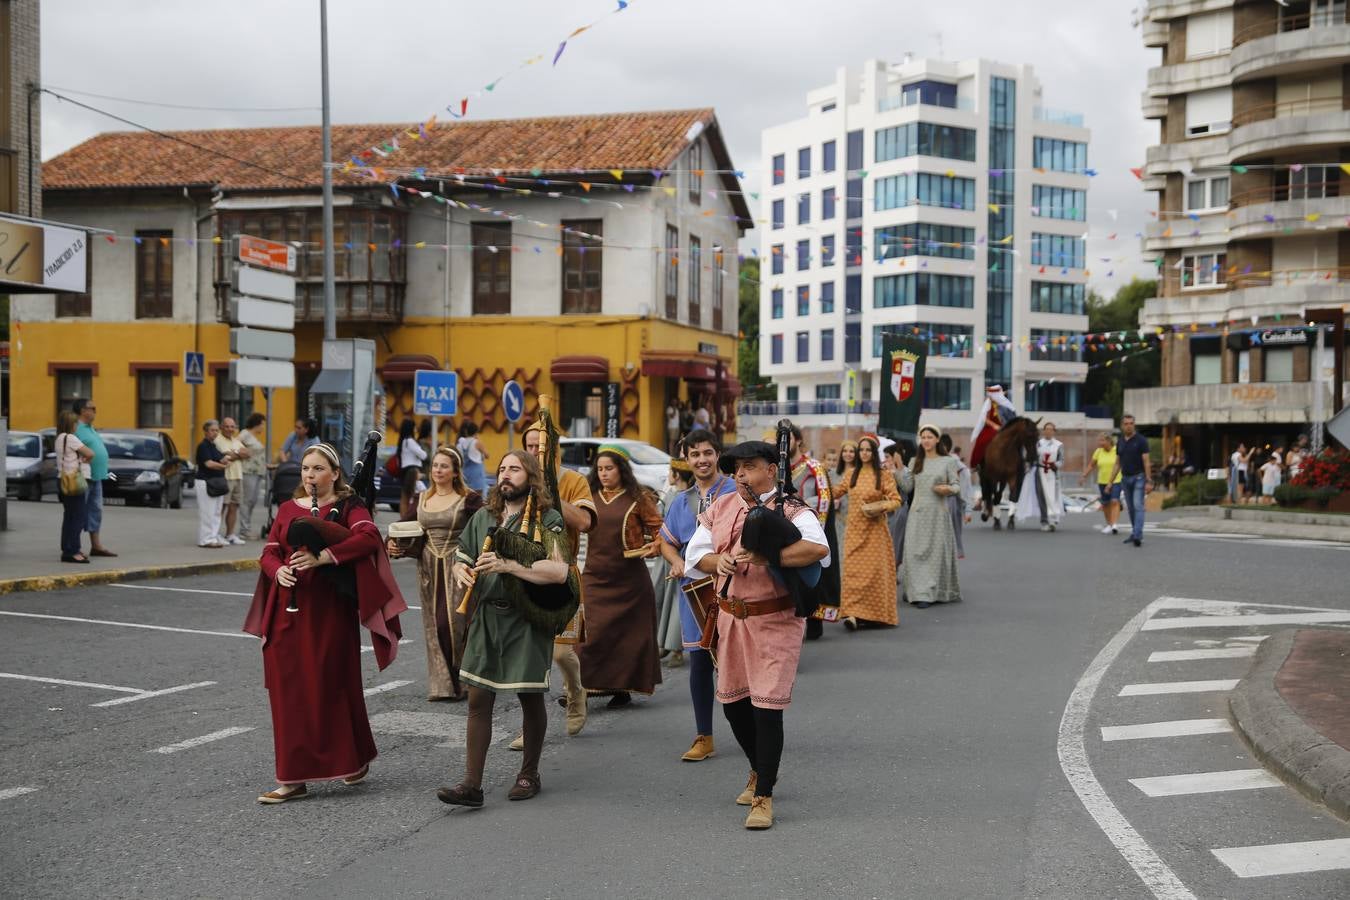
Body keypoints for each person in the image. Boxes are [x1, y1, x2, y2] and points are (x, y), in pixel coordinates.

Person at [245, 443, 407, 803]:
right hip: (287, 608)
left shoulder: (350, 507)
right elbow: (271, 548)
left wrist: (325, 556)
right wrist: (278, 571)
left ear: (334, 474)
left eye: (318, 469)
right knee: (288, 694)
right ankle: (292, 778)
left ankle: (354, 758)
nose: (309, 476)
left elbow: (368, 539)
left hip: (330, 611)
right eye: (305, 469)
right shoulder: (288, 508)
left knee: (333, 687)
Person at [684, 440, 831, 830]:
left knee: (767, 708)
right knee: (733, 704)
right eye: (737, 468)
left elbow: (818, 549)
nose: (741, 474)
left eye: (749, 467)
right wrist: (721, 560)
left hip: (776, 619)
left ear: (771, 469)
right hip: (731, 618)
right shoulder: (721, 506)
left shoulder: (793, 508)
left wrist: (772, 557)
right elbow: (695, 556)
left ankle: (763, 795)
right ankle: (759, 767)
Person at [439, 450, 574, 808]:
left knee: (529, 697)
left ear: (530, 477)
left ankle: (529, 772)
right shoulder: (485, 515)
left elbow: (559, 572)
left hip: (527, 618)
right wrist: (461, 571)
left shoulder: (549, 518)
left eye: (514, 468)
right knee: (478, 698)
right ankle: (471, 785)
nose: (505, 474)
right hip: (486, 617)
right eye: (501, 468)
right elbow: (461, 556)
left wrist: (508, 566)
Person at [656, 428, 739, 762]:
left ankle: (755, 731)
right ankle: (704, 735)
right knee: (700, 662)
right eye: (695, 455)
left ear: (717, 455)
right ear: (686, 459)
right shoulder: (681, 500)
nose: (702, 460)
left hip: (735, 584)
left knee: (738, 660)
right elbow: (666, 541)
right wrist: (676, 561)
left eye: (707, 453)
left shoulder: (736, 491)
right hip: (695, 591)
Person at [519, 420, 596, 739]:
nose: (535, 450)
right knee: (529, 657)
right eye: (529, 445)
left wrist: (548, 491)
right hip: (524, 576)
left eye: (541, 444)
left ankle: (576, 692)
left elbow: (585, 521)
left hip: (562, 575)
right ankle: (531, 727)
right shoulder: (515, 478)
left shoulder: (574, 480)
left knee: (561, 653)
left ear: (553, 448)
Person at [389, 446, 482, 702]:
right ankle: (442, 684)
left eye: (444, 466)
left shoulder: (469, 499)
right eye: (435, 465)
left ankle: (465, 681)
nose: (438, 470)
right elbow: (402, 526)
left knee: (455, 623)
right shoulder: (422, 499)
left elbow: (486, 526)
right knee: (434, 625)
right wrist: (392, 543)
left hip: (458, 565)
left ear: (455, 472)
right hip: (428, 567)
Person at [577, 445, 664, 708]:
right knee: (589, 634)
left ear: (621, 470)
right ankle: (584, 688)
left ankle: (621, 688)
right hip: (594, 576)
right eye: (600, 469)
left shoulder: (639, 498)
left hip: (630, 581)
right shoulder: (587, 497)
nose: (604, 474)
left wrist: (654, 547)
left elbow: (661, 532)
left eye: (609, 469)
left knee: (628, 638)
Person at [834, 436, 901, 630]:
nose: (864, 453)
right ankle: (852, 614)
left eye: (868, 450)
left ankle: (874, 615)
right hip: (854, 531)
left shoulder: (883, 475)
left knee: (874, 574)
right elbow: (834, 492)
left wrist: (880, 507)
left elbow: (896, 500)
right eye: (861, 450)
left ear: (873, 453)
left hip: (875, 532)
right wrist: (819, 478)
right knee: (853, 573)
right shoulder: (851, 474)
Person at [900, 425, 963, 609]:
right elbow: (907, 487)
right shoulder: (914, 461)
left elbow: (956, 486)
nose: (926, 440)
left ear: (937, 440)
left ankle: (929, 592)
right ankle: (915, 591)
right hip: (917, 513)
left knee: (935, 553)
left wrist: (948, 489)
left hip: (938, 513)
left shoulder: (947, 462)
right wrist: (896, 470)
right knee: (915, 553)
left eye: (929, 437)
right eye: (923, 437)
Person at [787, 424, 838, 639]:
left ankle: (815, 619)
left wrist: (803, 503)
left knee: (813, 574)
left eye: (787, 438)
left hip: (811, 528)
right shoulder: (777, 468)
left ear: (798, 440)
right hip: (787, 531)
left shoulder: (814, 467)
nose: (783, 444)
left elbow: (825, 499)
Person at [652, 460, 695, 666]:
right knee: (662, 600)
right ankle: (662, 644)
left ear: (677, 475)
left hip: (680, 557)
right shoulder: (670, 495)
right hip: (665, 556)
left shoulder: (690, 497)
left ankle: (677, 648)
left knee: (679, 604)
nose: (668, 474)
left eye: (670, 471)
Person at [73, 399, 115, 558]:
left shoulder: (91, 429)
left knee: (96, 511)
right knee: (79, 511)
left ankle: (96, 546)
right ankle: (74, 546)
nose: (95, 411)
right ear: (83, 410)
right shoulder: (76, 429)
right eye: (93, 408)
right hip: (84, 477)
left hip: (96, 476)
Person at [1107, 414, 1153, 548]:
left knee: (1138, 505)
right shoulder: (1120, 441)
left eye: (1131, 423)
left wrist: (1149, 481)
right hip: (1125, 478)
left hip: (1139, 477)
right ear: (1122, 426)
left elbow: (1146, 461)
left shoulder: (1141, 440)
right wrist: (1110, 482)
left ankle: (1138, 535)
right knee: (1131, 508)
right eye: (1126, 424)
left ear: (1134, 425)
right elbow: (1117, 463)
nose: (1129, 426)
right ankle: (1135, 533)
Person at [56, 410, 94, 564]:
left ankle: (67, 548)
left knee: (69, 516)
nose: (77, 425)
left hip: (62, 480)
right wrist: (84, 461)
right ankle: (73, 551)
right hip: (74, 481)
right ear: (71, 424)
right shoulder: (71, 438)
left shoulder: (59, 438)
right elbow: (90, 453)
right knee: (78, 517)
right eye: (75, 423)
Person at [1015, 421, 1064, 532]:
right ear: (1043, 431)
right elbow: (1030, 455)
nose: (1048, 431)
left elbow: (1061, 460)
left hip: (1052, 473)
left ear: (1054, 431)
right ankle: (1044, 521)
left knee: (1052, 496)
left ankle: (1053, 519)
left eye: (1051, 429)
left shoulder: (1059, 445)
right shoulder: (1038, 443)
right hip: (1040, 472)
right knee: (1041, 496)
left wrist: (1055, 465)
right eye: (1046, 429)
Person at [195, 420, 235, 549]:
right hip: (205, 481)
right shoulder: (203, 446)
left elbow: (219, 458)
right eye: (212, 430)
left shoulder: (213, 446)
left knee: (217, 511)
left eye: (217, 430)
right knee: (208, 512)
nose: (215, 433)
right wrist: (223, 466)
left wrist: (226, 458)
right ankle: (205, 539)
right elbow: (208, 463)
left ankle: (213, 536)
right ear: (206, 431)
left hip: (216, 482)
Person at [216, 417, 249, 545]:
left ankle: (230, 534)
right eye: (227, 426)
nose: (230, 429)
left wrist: (234, 453)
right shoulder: (218, 440)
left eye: (232, 426)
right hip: (225, 477)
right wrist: (238, 453)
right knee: (222, 507)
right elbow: (224, 455)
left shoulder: (236, 440)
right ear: (221, 427)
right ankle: (216, 534)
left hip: (237, 476)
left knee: (234, 507)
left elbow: (247, 453)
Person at [1084, 432, 1122, 535]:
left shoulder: (1116, 450)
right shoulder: (1098, 451)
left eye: (1102, 440)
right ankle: (1109, 524)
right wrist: (1084, 476)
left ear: (1109, 441)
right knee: (1105, 503)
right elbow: (1091, 465)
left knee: (1114, 501)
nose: (1100, 443)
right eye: (1099, 440)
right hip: (1102, 481)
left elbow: (1122, 463)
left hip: (1116, 480)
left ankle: (1114, 524)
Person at [939, 435, 970, 558]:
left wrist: (967, 511)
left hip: (951, 502)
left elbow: (964, 489)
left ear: (945, 447)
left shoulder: (956, 464)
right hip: (935, 502)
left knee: (951, 534)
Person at [239, 413, 268, 541]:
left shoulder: (253, 437)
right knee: (247, 500)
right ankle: (244, 530)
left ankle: (247, 528)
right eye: (262, 424)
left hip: (257, 472)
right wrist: (244, 453)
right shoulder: (245, 434)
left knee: (253, 500)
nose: (263, 427)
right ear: (257, 423)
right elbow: (236, 446)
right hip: (248, 471)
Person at [833, 440, 858, 581]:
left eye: (851, 451)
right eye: (845, 451)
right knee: (839, 551)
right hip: (837, 520)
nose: (848, 454)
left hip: (856, 519)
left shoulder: (860, 474)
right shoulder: (832, 474)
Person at [396, 418, 428, 520]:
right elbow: (423, 455)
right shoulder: (410, 441)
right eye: (414, 427)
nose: (416, 429)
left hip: (405, 470)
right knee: (417, 496)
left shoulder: (403, 441)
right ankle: (408, 518)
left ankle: (403, 518)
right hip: (412, 470)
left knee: (405, 497)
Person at [456, 421, 489, 494]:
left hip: (464, 473)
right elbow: (487, 455)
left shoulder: (460, 444)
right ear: (476, 431)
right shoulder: (477, 443)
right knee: (478, 496)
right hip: (476, 473)